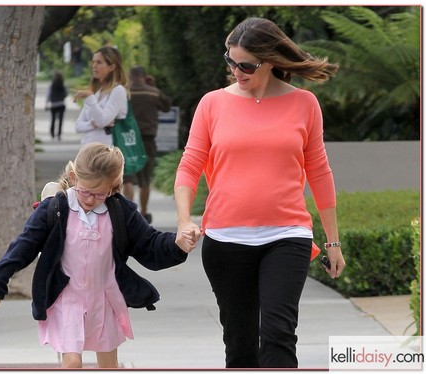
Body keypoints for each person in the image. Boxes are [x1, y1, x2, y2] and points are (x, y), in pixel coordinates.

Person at [174, 17, 346, 369]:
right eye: (230, 61)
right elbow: (189, 167)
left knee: (279, 334)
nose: (237, 70)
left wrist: (333, 241)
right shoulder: (212, 104)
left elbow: (319, 171)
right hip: (225, 239)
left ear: (268, 61)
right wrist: (182, 220)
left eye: (246, 65)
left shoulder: (305, 104)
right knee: (239, 344)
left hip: (287, 235)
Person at [0, 142, 198, 369]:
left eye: (100, 194)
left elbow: (150, 243)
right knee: (72, 362)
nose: (91, 199)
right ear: (74, 177)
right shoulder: (55, 209)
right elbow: (24, 245)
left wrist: (178, 243)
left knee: (108, 365)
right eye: (86, 191)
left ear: (113, 187)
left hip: (104, 297)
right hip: (67, 297)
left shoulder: (120, 211)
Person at [74, 46, 136, 199]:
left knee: (104, 197)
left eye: (99, 62)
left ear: (112, 66)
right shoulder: (97, 93)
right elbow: (78, 126)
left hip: (105, 155)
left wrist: (89, 99)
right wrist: (93, 124)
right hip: (88, 152)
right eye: (93, 61)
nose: (94, 65)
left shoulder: (118, 91)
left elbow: (103, 119)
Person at [125, 66, 172, 223]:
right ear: (144, 77)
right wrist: (153, 86)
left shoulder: (125, 92)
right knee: (145, 180)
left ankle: (128, 211)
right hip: (147, 139)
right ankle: (144, 212)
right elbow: (167, 106)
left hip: (128, 139)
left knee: (128, 177)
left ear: (130, 77)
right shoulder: (152, 92)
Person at [46, 71, 68, 141]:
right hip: (61, 104)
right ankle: (59, 134)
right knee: (60, 121)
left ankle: (52, 134)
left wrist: (46, 104)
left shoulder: (52, 84)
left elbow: (48, 94)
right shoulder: (63, 84)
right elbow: (66, 93)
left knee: (53, 120)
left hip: (54, 104)